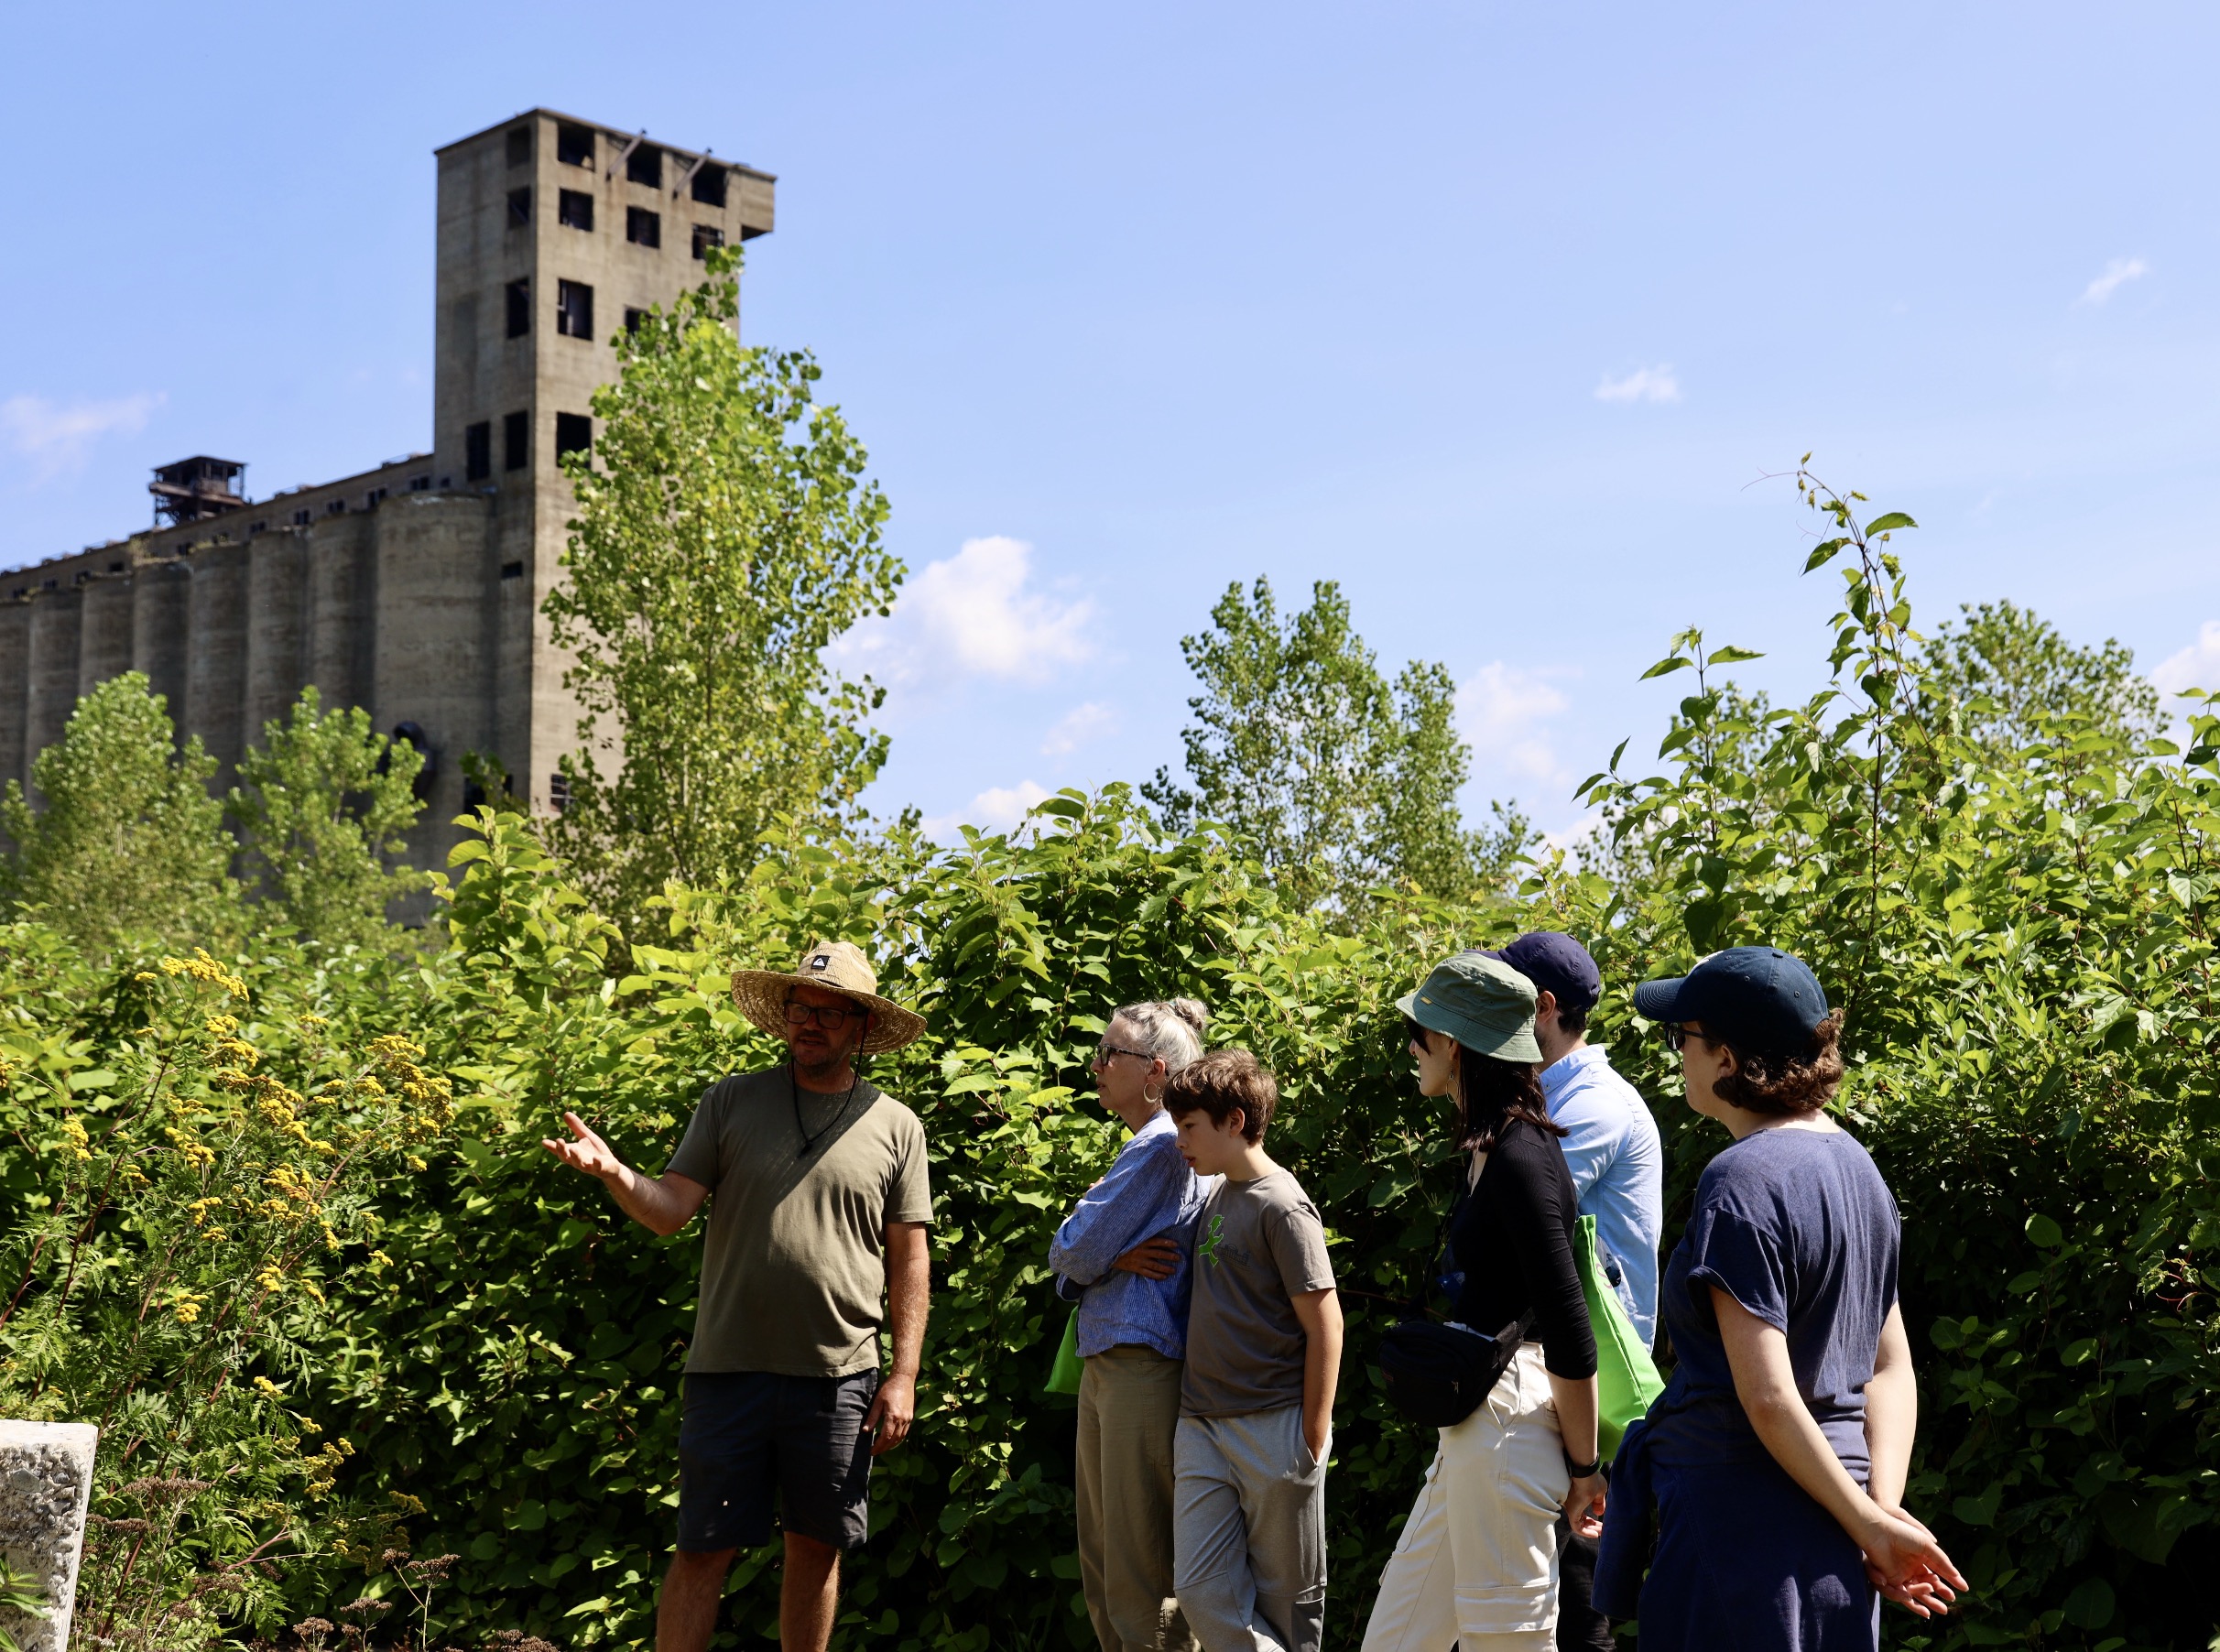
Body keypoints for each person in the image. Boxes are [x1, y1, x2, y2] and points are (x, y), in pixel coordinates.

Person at [541, 940, 932, 1652]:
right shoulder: (731, 1100)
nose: (808, 1023)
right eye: (798, 1008)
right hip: (729, 1370)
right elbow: (669, 1211)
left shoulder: (896, 1125)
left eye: (827, 1013)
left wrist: (903, 1374)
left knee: (816, 1550)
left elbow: (909, 1256)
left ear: (860, 1029)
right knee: (702, 1550)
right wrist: (615, 1174)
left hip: (841, 1377)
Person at [1594, 946, 1964, 1647]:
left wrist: (1869, 1523)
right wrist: (1875, 1511)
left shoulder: (1740, 1183)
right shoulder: (1861, 1170)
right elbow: (1891, 1369)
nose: (1678, 1055)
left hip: (1739, 1539)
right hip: (1840, 1537)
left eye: (1684, 1038)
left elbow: (1767, 1397)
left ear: (1728, 1059)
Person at [1361, 953, 1606, 1652]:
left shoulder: (1522, 1155)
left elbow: (1568, 1327)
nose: (1412, 1046)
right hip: (1478, 1431)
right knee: (1396, 1641)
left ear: (1457, 1045)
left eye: (1421, 1031)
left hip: (1508, 1429)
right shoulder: (1492, 1145)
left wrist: (1585, 1472)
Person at [1474, 932, 1661, 1652]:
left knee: (1578, 1599)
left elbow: (1506, 1224)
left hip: (1587, 1389)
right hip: (1550, 1378)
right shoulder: (1550, 1096)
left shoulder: (1594, 1107)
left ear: (1543, 1008)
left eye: (1505, 998)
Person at [1049, 999, 1216, 1652]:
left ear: (1155, 1070)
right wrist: (1099, 1261)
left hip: (1139, 1367)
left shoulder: (1157, 1148)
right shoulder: (1152, 1144)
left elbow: (1070, 1249)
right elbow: (1080, 1257)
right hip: (1117, 1364)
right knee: (1109, 1560)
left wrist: (1092, 1261)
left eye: (1108, 1054)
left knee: (1137, 1568)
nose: (1096, 1065)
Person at [1164, 1049, 1343, 1652]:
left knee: (1290, 1607)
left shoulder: (1283, 1206)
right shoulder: (1218, 1192)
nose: (1180, 1141)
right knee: (1199, 1590)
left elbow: (1326, 1325)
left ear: (1233, 1121)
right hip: (1202, 1426)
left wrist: (1312, 1438)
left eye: (1189, 1127)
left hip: (1275, 1429)